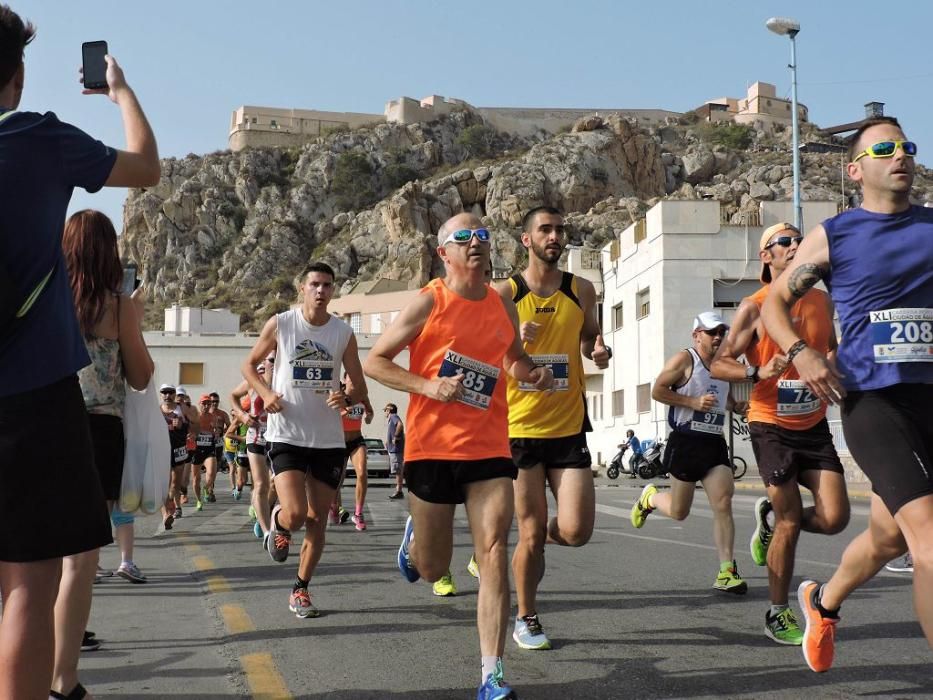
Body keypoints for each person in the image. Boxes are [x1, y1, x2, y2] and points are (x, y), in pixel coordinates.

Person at [0, 7, 159, 697]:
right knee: (27, 584)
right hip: (33, 399)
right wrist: (120, 92)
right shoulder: (40, 138)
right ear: (19, 73)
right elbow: (146, 168)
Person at [761, 116, 933, 672]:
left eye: (906, 146)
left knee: (887, 537)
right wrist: (800, 352)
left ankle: (822, 602)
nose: (900, 156)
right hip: (875, 403)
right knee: (928, 543)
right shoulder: (836, 234)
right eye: (885, 149)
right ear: (856, 170)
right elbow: (773, 305)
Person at [364, 212, 554, 700]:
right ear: (443, 252)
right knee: (433, 568)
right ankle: (413, 546)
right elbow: (376, 361)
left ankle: (491, 674)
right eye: (463, 237)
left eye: (483, 236)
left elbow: (512, 359)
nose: (476, 243)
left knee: (493, 551)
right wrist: (428, 384)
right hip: (431, 449)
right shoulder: (430, 300)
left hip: (489, 448)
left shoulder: (500, 304)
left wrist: (532, 375)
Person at [710, 222, 850, 645]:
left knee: (834, 518)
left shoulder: (822, 301)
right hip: (769, 421)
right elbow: (719, 362)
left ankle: (768, 517)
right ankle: (778, 610)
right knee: (791, 518)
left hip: (813, 422)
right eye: (784, 242)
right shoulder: (754, 306)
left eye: (799, 240)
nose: (794, 247)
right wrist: (755, 371)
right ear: (766, 257)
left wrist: (832, 364)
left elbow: (830, 346)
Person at [490, 205, 609, 650]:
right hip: (519, 428)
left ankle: (527, 547)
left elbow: (588, 336)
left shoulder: (583, 289)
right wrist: (520, 352)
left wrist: (597, 350)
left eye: (560, 229)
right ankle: (527, 616)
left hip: (568, 425)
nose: (555, 236)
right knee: (532, 531)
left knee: (575, 531)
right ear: (527, 240)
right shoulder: (504, 293)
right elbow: (496, 355)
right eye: (546, 230)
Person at [53, 209, 154, 698]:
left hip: (42, 424)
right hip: (99, 433)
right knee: (79, 562)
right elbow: (139, 376)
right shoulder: (118, 307)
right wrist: (133, 316)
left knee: (35, 559)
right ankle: (62, 678)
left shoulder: (45, 296)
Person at [242, 262, 369, 620]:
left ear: (333, 291)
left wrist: (345, 397)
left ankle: (300, 589)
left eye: (327, 285)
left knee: (317, 520)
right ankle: (279, 525)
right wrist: (266, 393)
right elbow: (249, 366)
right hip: (286, 433)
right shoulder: (282, 324)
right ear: (302, 288)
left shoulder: (342, 333)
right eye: (315, 284)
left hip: (328, 440)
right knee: (297, 513)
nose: (321, 291)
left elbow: (358, 384)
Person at [630, 311, 748, 595]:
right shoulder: (685, 360)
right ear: (697, 335)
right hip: (686, 441)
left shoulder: (724, 364)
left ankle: (726, 571)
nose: (718, 337)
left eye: (722, 332)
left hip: (714, 442)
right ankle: (651, 498)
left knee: (723, 501)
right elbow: (658, 390)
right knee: (679, 511)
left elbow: (722, 396)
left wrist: (735, 405)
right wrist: (691, 401)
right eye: (711, 332)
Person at [231, 356, 274, 541]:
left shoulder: (286, 380)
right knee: (261, 484)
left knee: (276, 484)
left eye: (274, 360)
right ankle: (266, 531)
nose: (271, 364)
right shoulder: (254, 380)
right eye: (269, 360)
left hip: (280, 439)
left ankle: (265, 511)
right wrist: (241, 415)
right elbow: (233, 396)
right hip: (256, 437)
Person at [332, 372, 374, 531]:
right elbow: (331, 413)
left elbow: (370, 412)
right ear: (344, 379)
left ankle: (358, 513)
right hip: (339, 441)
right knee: (337, 481)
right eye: (351, 376)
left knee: (362, 473)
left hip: (357, 440)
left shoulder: (362, 395)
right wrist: (344, 411)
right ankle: (334, 506)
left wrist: (369, 416)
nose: (354, 379)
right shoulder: (338, 395)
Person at [385, 403, 406, 499]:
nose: (385, 412)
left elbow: (400, 425)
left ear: (389, 410)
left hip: (396, 449)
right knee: (398, 470)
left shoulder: (393, 416)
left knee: (398, 470)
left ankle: (399, 491)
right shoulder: (391, 419)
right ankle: (399, 490)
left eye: (385, 410)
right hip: (394, 449)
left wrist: (396, 437)